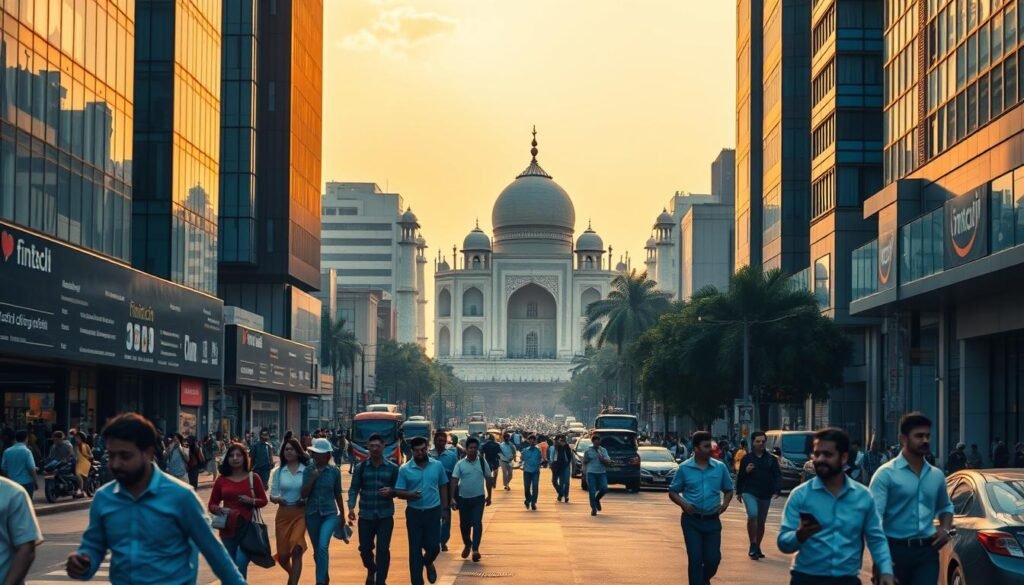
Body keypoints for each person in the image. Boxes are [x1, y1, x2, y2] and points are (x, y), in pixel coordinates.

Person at [66, 413, 246, 585]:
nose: (115, 464)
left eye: (125, 456)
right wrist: (83, 562)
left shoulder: (181, 497)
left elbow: (215, 553)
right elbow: (94, 546)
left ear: (147, 452)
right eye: (111, 455)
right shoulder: (104, 498)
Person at [778, 428, 896, 585]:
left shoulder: (862, 497)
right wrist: (800, 535)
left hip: (846, 579)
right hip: (806, 578)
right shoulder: (800, 496)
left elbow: (876, 539)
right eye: (816, 454)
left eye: (827, 454)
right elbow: (783, 542)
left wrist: (886, 571)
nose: (820, 459)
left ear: (844, 457)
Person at [869, 413, 954, 585]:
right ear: (903, 438)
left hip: (926, 552)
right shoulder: (885, 474)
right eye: (919, 436)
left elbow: (946, 506)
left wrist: (945, 528)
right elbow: (873, 521)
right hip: (894, 551)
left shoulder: (936, 475)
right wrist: (880, 560)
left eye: (928, 436)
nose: (925, 440)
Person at [668, 431, 734, 585]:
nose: (710, 449)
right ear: (696, 448)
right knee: (695, 558)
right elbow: (673, 491)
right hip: (692, 520)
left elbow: (729, 489)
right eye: (705, 446)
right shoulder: (684, 468)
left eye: (710, 445)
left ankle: (703, 580)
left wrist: (725, 504)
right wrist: (684, 504)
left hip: (712, 521)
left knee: (713, 559)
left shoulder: (720, 467)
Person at [389, 436, 450, 585]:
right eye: (417, 451)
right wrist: (410, 495)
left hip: (433, 511)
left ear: (427, 448)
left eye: (423, 450)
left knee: (434, 547)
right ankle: (417, 581)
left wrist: (445, 508)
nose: (420, 453)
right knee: (415, 550)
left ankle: (428, 562)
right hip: (414, 513)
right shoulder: (405, 469)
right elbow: (398, 491)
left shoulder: (437, 466)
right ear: (412, 451)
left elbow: (443, 485)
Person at [208, 441, 269, 578]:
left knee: (240, 563)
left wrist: (251, 501)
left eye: (238, 455)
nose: (235, 458)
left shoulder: (254, 478)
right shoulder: (222, 480)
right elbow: (212, 504)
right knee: (229, 568)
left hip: (248, 531)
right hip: (227, 530)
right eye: (231, 455)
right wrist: (219, 510)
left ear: (244, 458)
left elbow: (263, 500)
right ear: (227, 458)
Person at [349, 433, 399, 585]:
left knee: (383, 549)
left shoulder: (392, 468)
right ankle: (371, 569)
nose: (375, 449)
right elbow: (354, 489)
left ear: (384, 447)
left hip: (385, 515)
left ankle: (381, 580)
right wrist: (351, 507)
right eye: (372, 446)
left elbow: (399, 489)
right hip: (366, 515)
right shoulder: (361, 467)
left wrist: (392, 491)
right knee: (365, 549)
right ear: (367, 448)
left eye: (378, 446)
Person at [301, 437, 346, 585]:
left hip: (330, 514)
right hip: (312, 514)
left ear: (328, 455)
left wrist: (343, 515)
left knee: (322, 546)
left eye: (319, 453)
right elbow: (304, 494)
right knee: (317, 551)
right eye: (314, 453)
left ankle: (320, 581)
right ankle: (324, 576)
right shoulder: (308, 470)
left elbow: (338, 493)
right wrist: (313, 478)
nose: (315, 456)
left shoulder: (334, 472)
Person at [735, 431, 781, 560]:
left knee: (761, 521)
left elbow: (777, 475)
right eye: (758, 441)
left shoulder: (771, 459)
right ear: (753, 443)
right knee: (753, 514)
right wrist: (739, 490)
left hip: (765, 493)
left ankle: (757, 546)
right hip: (749, 491)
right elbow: (740, 476)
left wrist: (777, 489)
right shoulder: (747, 458)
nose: (761, 444)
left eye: (763, 441)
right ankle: (752, 544)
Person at [270, 438, 310, 585]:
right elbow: (272, 495)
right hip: (283, 514)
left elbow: (310, 492)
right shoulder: (279, 472)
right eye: (286, 449)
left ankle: (293, 583)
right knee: (283, 555)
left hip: (300, 513)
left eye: (291, 449)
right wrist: (278, 499)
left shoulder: (306, 470)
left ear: (298, 451)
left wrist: (305, 500)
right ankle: (293, 575)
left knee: (297, 547)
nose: (288, 451)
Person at [450, 436, 492, 563]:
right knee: (464, 525)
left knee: (477, 523)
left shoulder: (482, 462)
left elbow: (488, 478)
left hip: (478, 498)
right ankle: (467, 543)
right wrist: (452, 498)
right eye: (471, 448)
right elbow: (454, 480)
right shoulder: (460, 464)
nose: (473, 450)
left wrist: (489, 495)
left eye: (475, 448)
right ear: (466, 449)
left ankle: (475, 549)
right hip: (463, 499)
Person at [0, 474, 42, 584]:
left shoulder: (12, 493)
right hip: (25, 480)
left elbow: (27, 549)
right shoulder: (12, 492)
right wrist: (35, 481)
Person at [429, 430, 459, 551]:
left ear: (445, 442)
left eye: (442, 440)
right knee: (433, 517)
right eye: (438, 440)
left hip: (446, 490)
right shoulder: (429, 455)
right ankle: (434, 539)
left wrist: (452, 495)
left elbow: (455, 476)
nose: (440, 443)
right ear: (435, 441)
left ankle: (444, 540)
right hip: (431, 490)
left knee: (445, 515)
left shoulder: (451, 456)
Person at [1, 429, 39, 498]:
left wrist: (9, 477)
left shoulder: (7, 451)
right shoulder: (27, 451)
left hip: (12, 482)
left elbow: (3, 468)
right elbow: (31, 468)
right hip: (26, 483)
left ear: (16, 438)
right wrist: (35, 482)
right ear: (26, 439)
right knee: (26, 504)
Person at [583, 434, 613, 516]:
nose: (597, 444)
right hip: (591, 473)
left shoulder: (603, 450)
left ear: (600, 442)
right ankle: (593, 509)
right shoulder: (588, 451)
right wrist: (584, 471)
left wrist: (603, 459)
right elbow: (584, 461)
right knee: (592, 492)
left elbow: (608, 460)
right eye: (595, 443)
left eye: (598, 442)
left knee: (604, 488)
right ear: (593, 442)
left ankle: (597, 499)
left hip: (601, 472)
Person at [48, 430, 84, 497]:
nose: (54, 441)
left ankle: (81, 490)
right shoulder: (54, 446)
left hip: (72, 461)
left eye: (56, 439)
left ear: (61, 438)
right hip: (60, 462)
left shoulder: (67, 444)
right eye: (54, 439)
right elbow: (51, 456)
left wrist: (66, 459)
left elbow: (71, 453)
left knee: (77, 474)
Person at [519, 434, 542, 510]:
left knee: (535, 487)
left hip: (535, 471)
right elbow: (522, 459)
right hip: (527, 471)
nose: (532, 442)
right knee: (527, 488)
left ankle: (533, 502)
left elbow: (540, 459)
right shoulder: (525, 450)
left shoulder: (538, 450)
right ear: (529, 441)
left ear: (535, 441)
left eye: (533, 441)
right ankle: (528, 500)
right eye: (530, 441)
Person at [548, 434, 573, 503]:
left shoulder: (566, 447)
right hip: (556, 466)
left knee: (566, 482)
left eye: (561, 441)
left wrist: (564, 446)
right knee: (555, 481)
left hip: (565, 465)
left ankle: (566, 496)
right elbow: (550, 458)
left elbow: (569, 457)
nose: (559, 442)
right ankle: (561, 493)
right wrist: (551, 465)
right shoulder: (552, 448)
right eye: (557, 440)